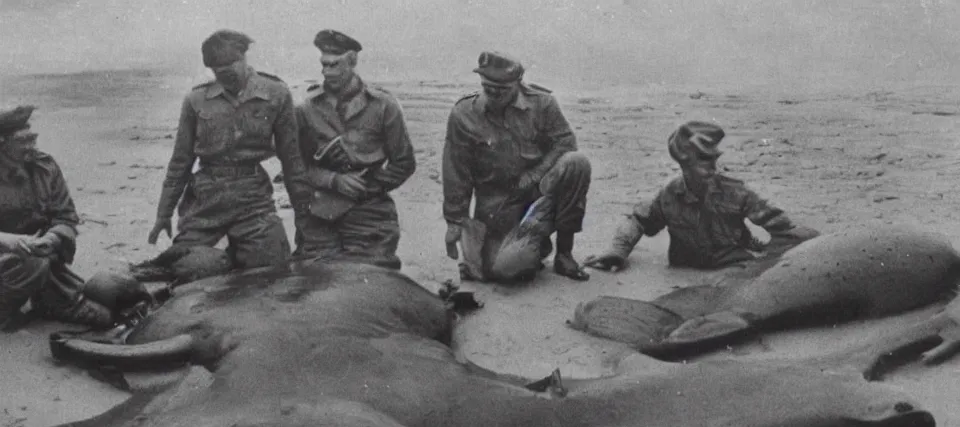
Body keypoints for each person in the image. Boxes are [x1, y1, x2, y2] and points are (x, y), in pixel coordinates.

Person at [147, 29, 312, 269]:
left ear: (244, 57)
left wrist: (302, 216)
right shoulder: (196, 100)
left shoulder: (276, 94)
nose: (225, 74)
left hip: (254, 203)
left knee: (273, 271)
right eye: (217, 70)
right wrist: (163, 215)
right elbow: (180, 163)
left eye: (230, 65)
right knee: (189, 268)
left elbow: (292, 162)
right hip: (205, 204)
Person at [584, 121, 819, 272]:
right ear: (684, 163)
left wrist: (779, 257)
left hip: (733, 266)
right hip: (686, 268)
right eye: (704, 162)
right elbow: (638, 221)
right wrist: (618, 251)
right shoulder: (669, 195)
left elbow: (783, 226)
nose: (712, 169)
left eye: (714, 161)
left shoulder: (736, 192)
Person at [442, 51, 592, 282]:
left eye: (502, 89)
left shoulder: (542, 103)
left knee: (576, 163)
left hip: (540, 190)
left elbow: (566, 142)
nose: (493, 94)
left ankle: (564, 253)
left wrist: (534, 174)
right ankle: (535, 242)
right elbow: (456, 171)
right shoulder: (463, 114)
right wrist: (454, 221)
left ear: (517, 83)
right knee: (504, 270)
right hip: (498, 205)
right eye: (487, 86)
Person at [293, 29, 416, 270]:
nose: (327, 72)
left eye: (335, 65)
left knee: (372, 277)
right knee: (312, 277)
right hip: (320, 210)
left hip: (369, 210)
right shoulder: (306, 108)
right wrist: (333, 180)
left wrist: (367, 185)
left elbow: (404, 163)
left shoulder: (383, 106)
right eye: (324, 65)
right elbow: (295, 166)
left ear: (352, 62)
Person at [0, 105, 114, 329]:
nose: (31, 146)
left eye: (33, 138)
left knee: (104, 310)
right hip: (11, 257)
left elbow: (66, 216)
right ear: (2, 143)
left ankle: (48, 300)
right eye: (23, 141)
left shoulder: (45, 168)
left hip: (39, 258)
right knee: (33, 264)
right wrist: (7, 240)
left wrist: (52, 238)